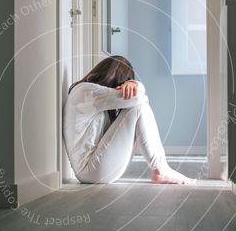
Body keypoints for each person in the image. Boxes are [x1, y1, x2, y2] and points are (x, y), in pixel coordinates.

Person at [63, 55, 196, 185]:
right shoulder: (85, 91)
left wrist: (133, 84)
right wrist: (135, 85)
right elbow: (139, 98)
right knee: (140, 108)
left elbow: (138, 96)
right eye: (123, 83)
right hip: (90, 171)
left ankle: (161, 168)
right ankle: (160, 170)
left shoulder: (94, 95)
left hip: (95, 169)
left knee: (138, 107)